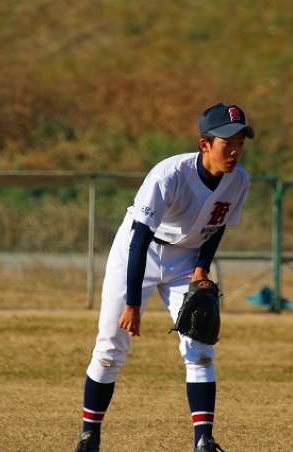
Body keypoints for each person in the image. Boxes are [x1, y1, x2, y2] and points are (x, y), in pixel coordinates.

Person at [73, 103, 255, 452]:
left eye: (240, 143)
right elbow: (139, 239)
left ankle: (203, 441)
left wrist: (202, 268)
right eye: (227, 143)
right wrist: (133, 304)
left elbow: (217, 226)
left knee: (200, 347)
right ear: (205, 145)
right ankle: (89, 436)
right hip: (139, 251)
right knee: (110, 347)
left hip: (186, 257)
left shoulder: (239, 180)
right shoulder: (169, 175)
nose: (235, 151)